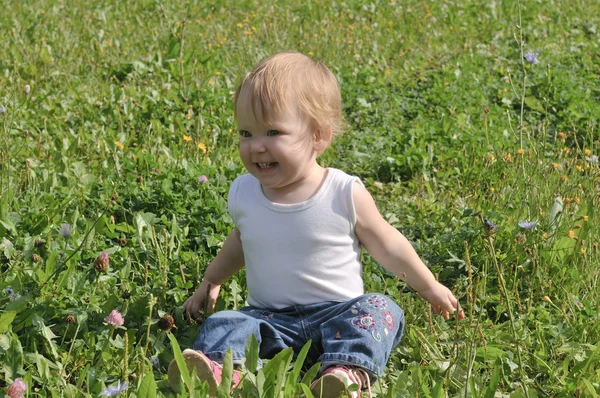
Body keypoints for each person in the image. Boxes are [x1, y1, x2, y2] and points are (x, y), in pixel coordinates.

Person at [168, 52, 465, 397]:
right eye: (246, 133)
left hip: (338, 316)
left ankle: (345, 373)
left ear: (318, 136)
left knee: (381, 310)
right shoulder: (244, 192)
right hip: (269, 318)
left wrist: (427, 285)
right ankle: (220, 371)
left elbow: (388, 244)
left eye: (273, 131)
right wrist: (212, 279)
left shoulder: (342, 192)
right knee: (227, 322)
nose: (256, 146)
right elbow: (240, 242)